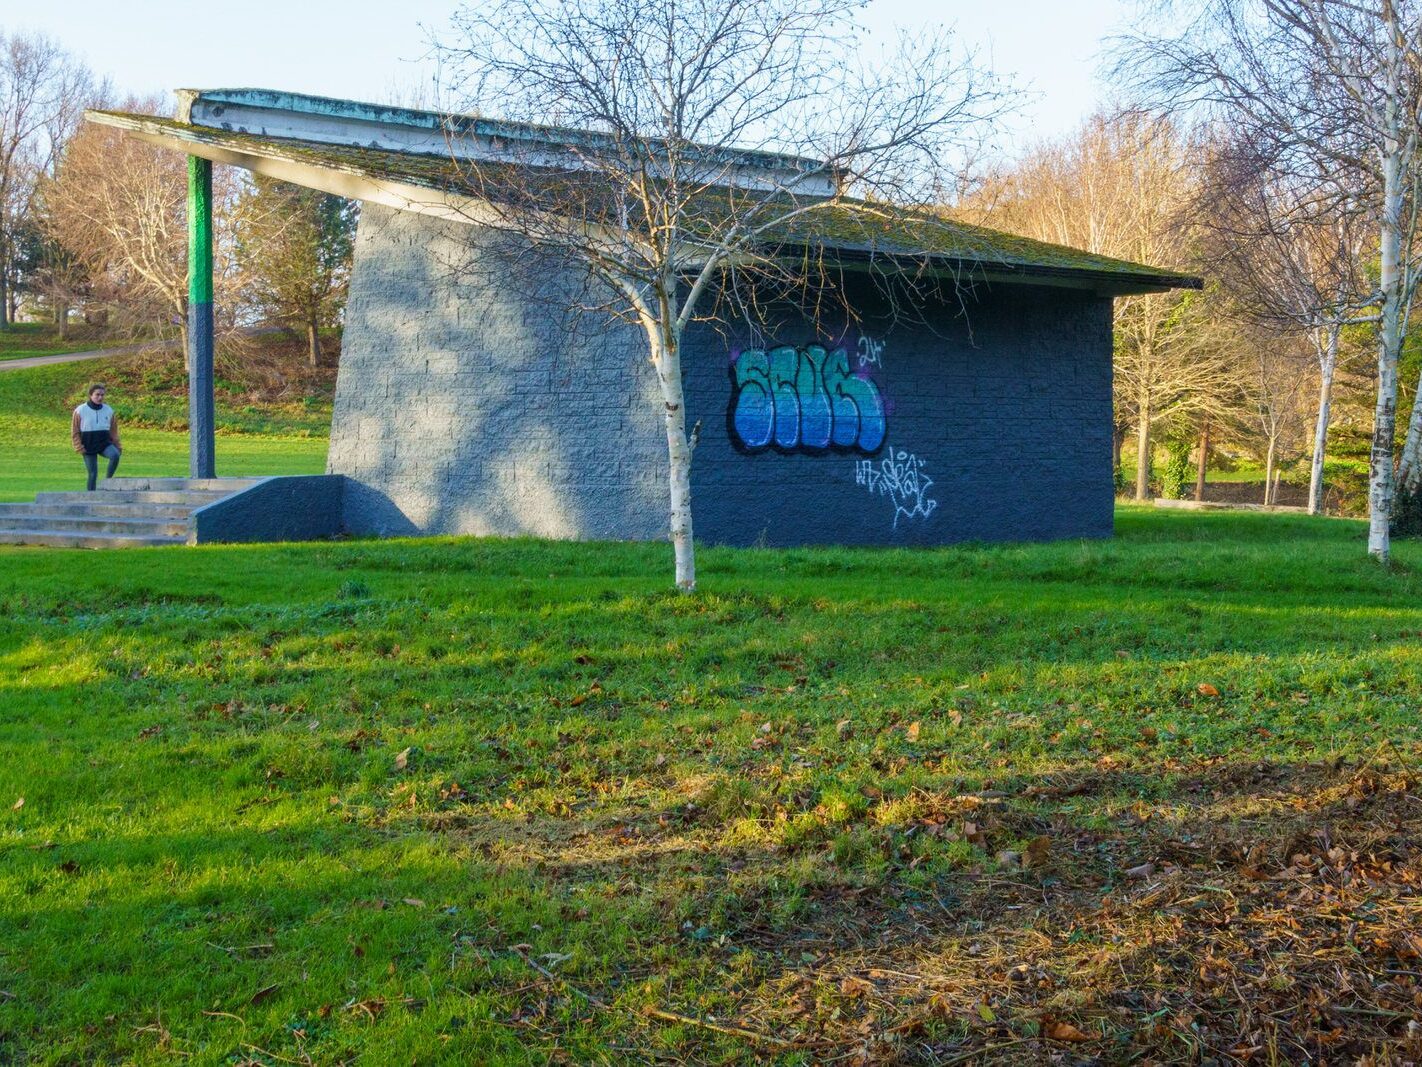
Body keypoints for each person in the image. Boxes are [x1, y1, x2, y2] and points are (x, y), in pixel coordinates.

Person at [71, 383, 122, 491]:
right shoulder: (80, 410)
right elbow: (75, 431)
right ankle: (91, 497)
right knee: (93, 474)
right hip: (88, 445)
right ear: (90, 395)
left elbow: (114, 430)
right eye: (97, 394)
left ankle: (107, 481)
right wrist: (78, 446)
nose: (100, 397)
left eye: (102, 395)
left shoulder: (108, 410)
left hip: (104, 444)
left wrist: (117, 445)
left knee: (115, 455)